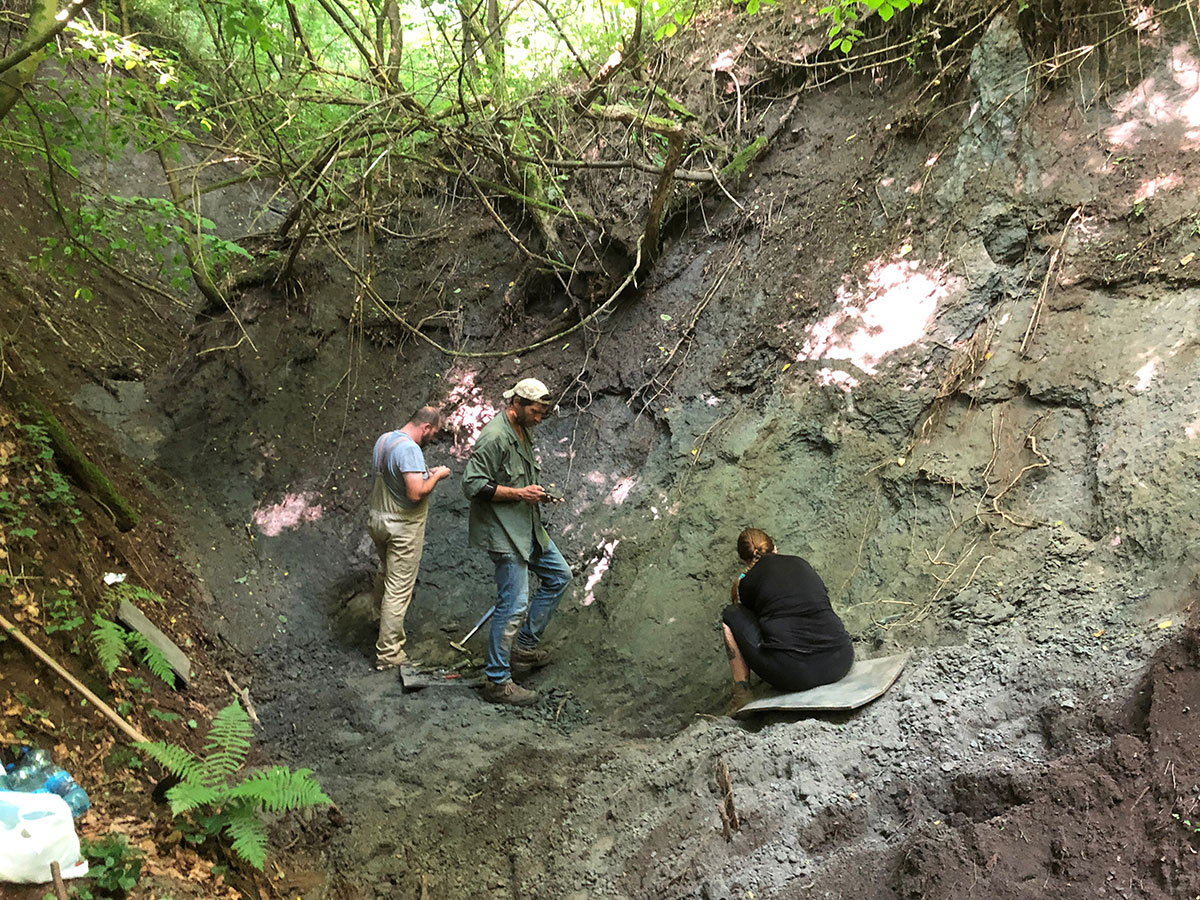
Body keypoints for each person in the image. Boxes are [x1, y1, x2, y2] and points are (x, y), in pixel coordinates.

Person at [462, 378, 573, 706]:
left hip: (528, 526)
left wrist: (535, 494)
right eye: (535, 412)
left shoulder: (522, 430)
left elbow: (518, 477)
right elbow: (472, 485)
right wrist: (520, 494)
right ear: (517, 404)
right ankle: (497, 682)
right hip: (503, 531)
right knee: (513, 604)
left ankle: (522, 648)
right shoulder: (494, 436)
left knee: (559, 576)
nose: (539, 418)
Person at [720, 527, 853, 714]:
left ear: (744, 560)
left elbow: (754, 622)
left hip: (795, 673)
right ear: (774, 547)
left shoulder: (747, 583)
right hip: (841, 659)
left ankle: (741, 694)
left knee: (731, 614)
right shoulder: (801, 563)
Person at [367, 406, 451, 673]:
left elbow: (396, 479)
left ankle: (378, 621)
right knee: (398, 588)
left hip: (378, 519)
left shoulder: (385, 440)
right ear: (426, 427)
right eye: (434, 432)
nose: (433, 438)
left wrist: (425, 473)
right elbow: (415, 493)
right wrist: (437, 476)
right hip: (401, 526)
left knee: (385, 572)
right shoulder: (410, 449)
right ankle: (389, 653)